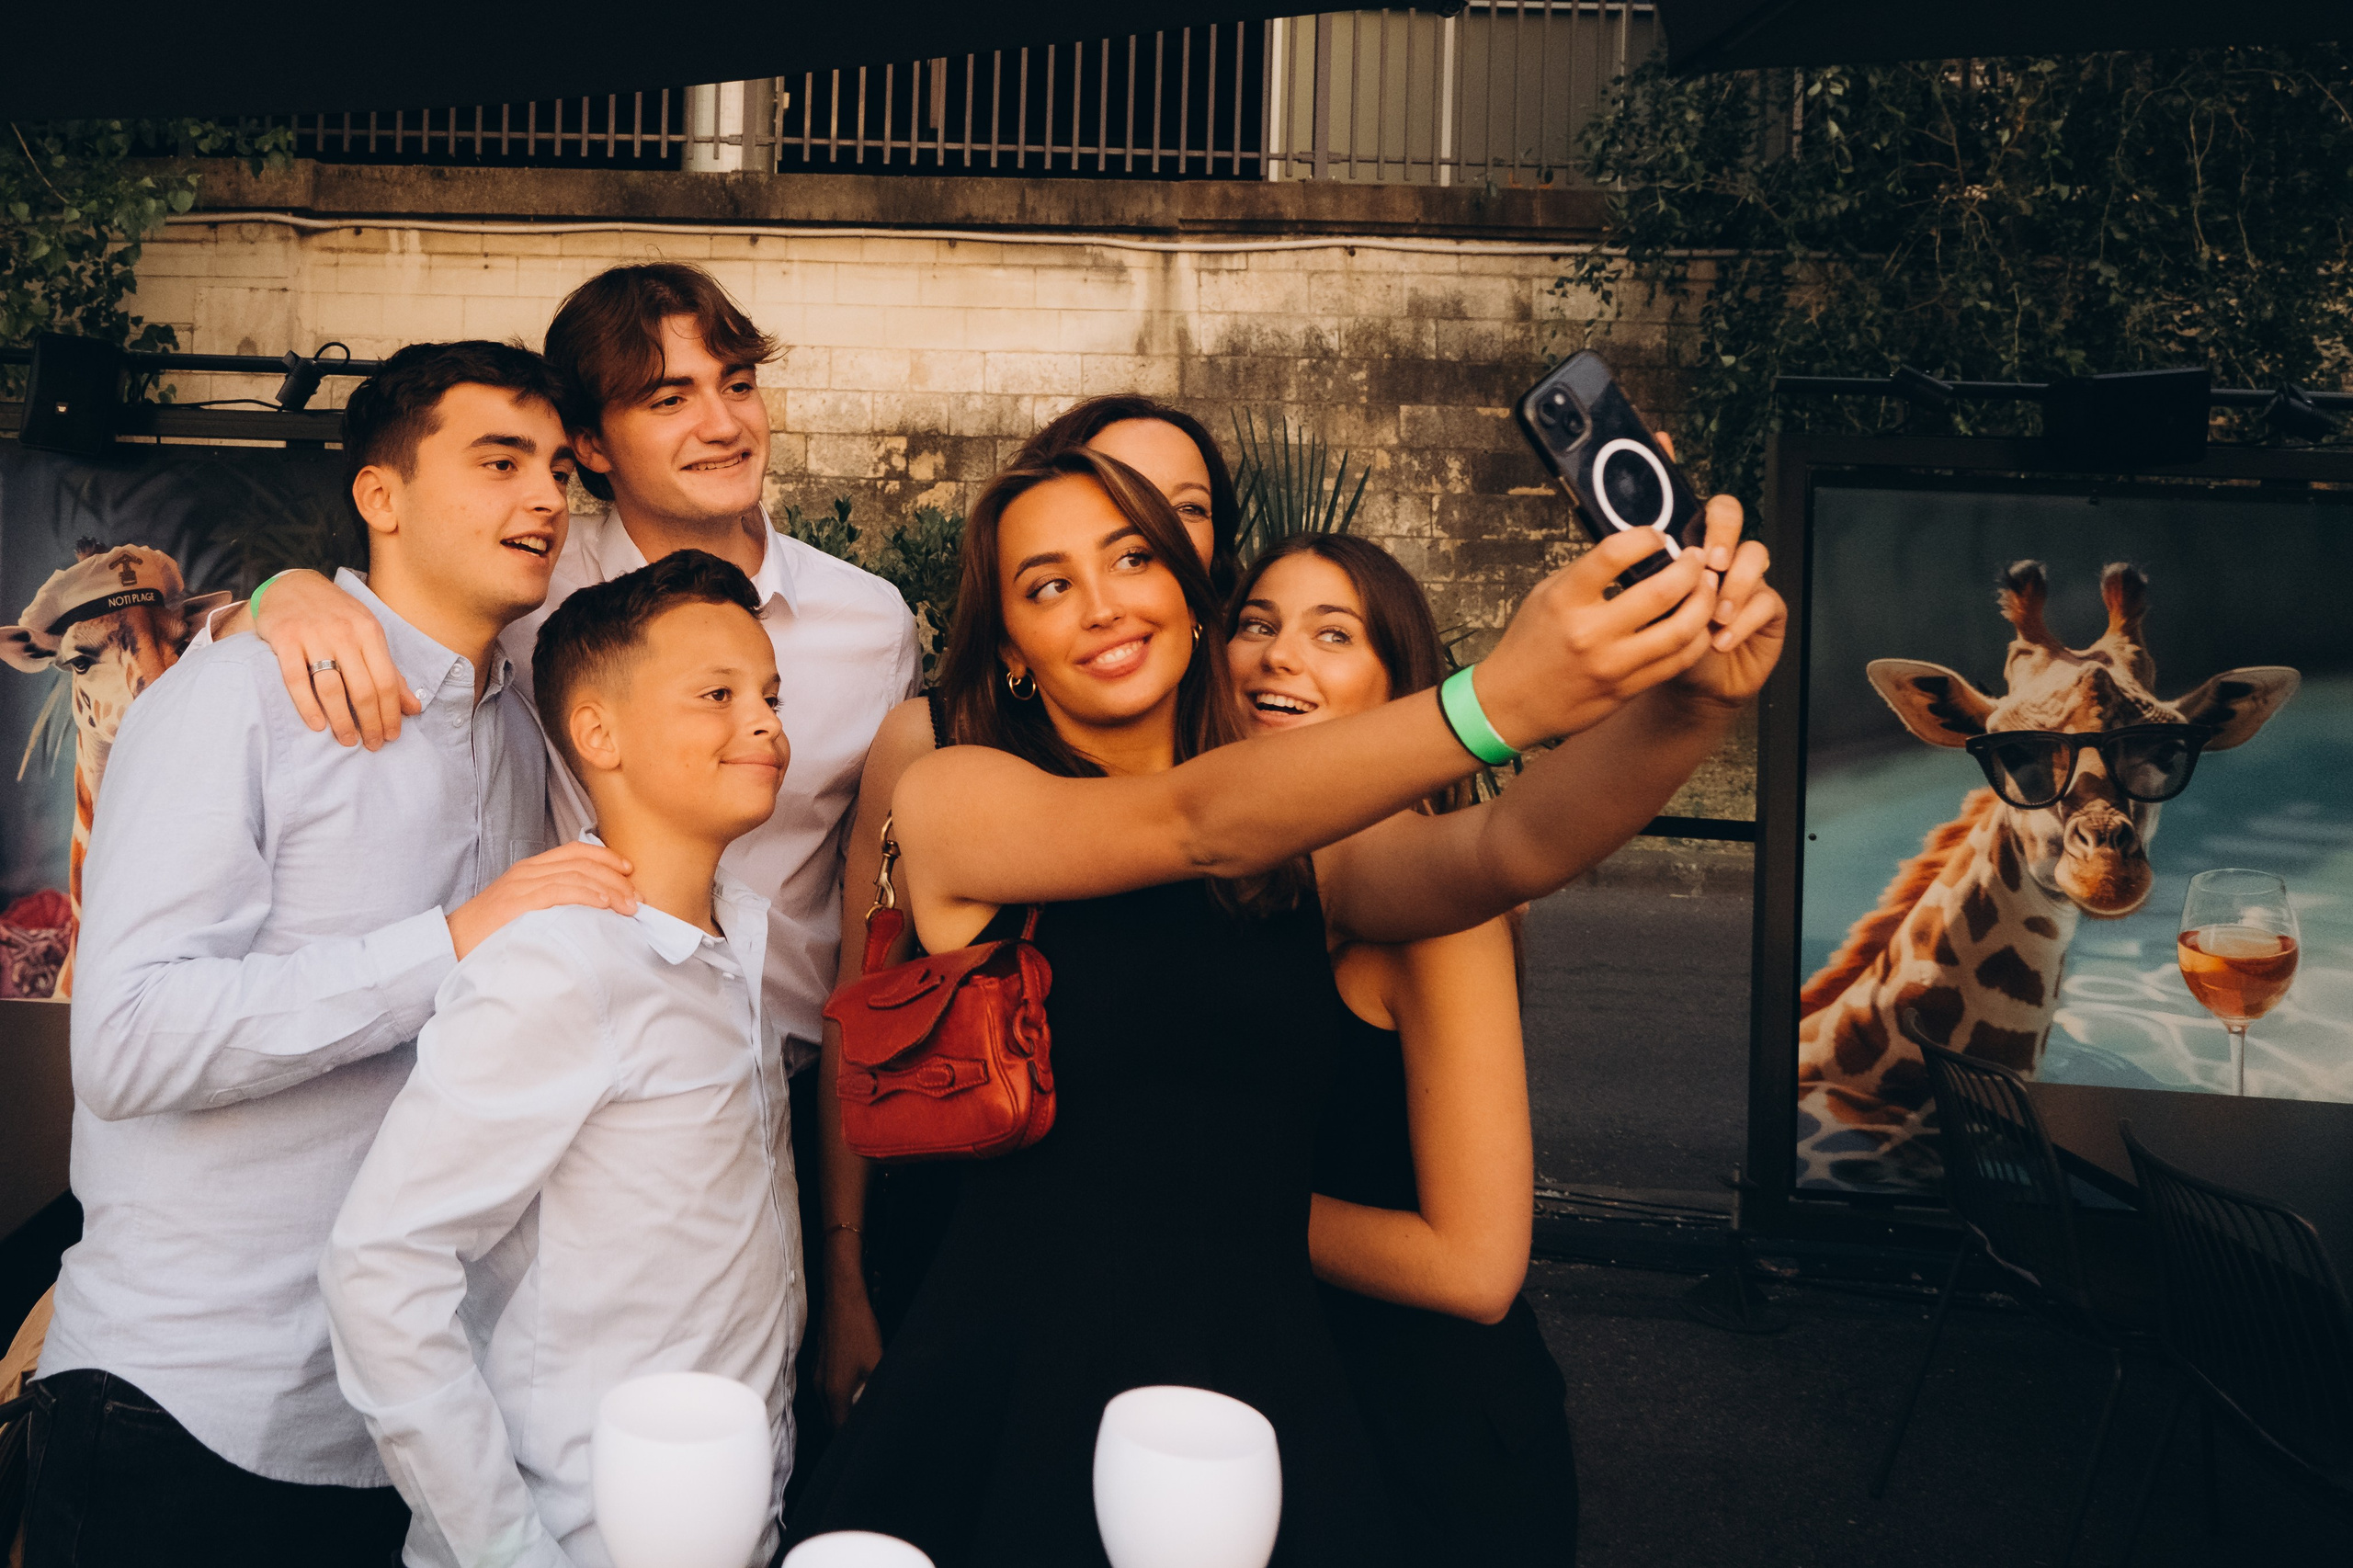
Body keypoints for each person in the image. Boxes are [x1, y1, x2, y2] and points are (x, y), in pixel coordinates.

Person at [786, 445, 1776, 1566]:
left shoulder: (1307, 847)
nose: (1104, 603)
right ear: (1010, 647)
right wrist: (1495, 697)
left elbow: (1512, 842)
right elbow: (1190, 823)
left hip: (1254, 1386)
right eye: (1048, 583)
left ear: (1190, 596)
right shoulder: (958, 795)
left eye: (1129, 559)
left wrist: (1690, 709)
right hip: (1022, 1374)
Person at [200, 261, 922, 1478]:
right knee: (580, 1425)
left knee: (767, 1446)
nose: (722, 422)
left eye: (736, 383)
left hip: (788, 1095)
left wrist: (845, 1252)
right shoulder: (533, 593)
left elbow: (870, 914)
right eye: (667, 397)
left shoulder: (872, 623)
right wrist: (281, 597)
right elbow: (368, 606)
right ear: (589, 444)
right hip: (589, 1090)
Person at [22, 342, 641, 1568]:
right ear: (381, 494)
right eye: (500, 460)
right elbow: (129, 1041)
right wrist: (450, 944)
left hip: (404, 1437)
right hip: (185, 1410)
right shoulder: (241, 693)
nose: (545, 498)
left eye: (561, 470)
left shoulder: (522, 726)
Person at [322, 552, 797, 1568]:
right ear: (597, 733)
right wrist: (508, 1550)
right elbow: (381, 1267)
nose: (763, 721)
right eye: (717, 694)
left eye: (769, 694)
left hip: (732, 1518)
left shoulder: (742, 945)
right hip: (578, 1534)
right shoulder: (564, 963)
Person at [812, 393, 1244, 1423]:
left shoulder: (1258, 747)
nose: (1130, 556)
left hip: (1205, 1279)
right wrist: (842, 1273)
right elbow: (860, 1005)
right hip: (965, 1222)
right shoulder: (938, 745)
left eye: (1175, 514)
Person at [1228, 534, 1589, 1564]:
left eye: (1330, 633)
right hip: (1292, 1410)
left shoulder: (1440, 910)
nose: (1276, 655)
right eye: (1255, 623)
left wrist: (1213, 1202)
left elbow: (1475, 1265)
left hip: (1428, 1443)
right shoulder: (1243, 864)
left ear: (1402, 692)